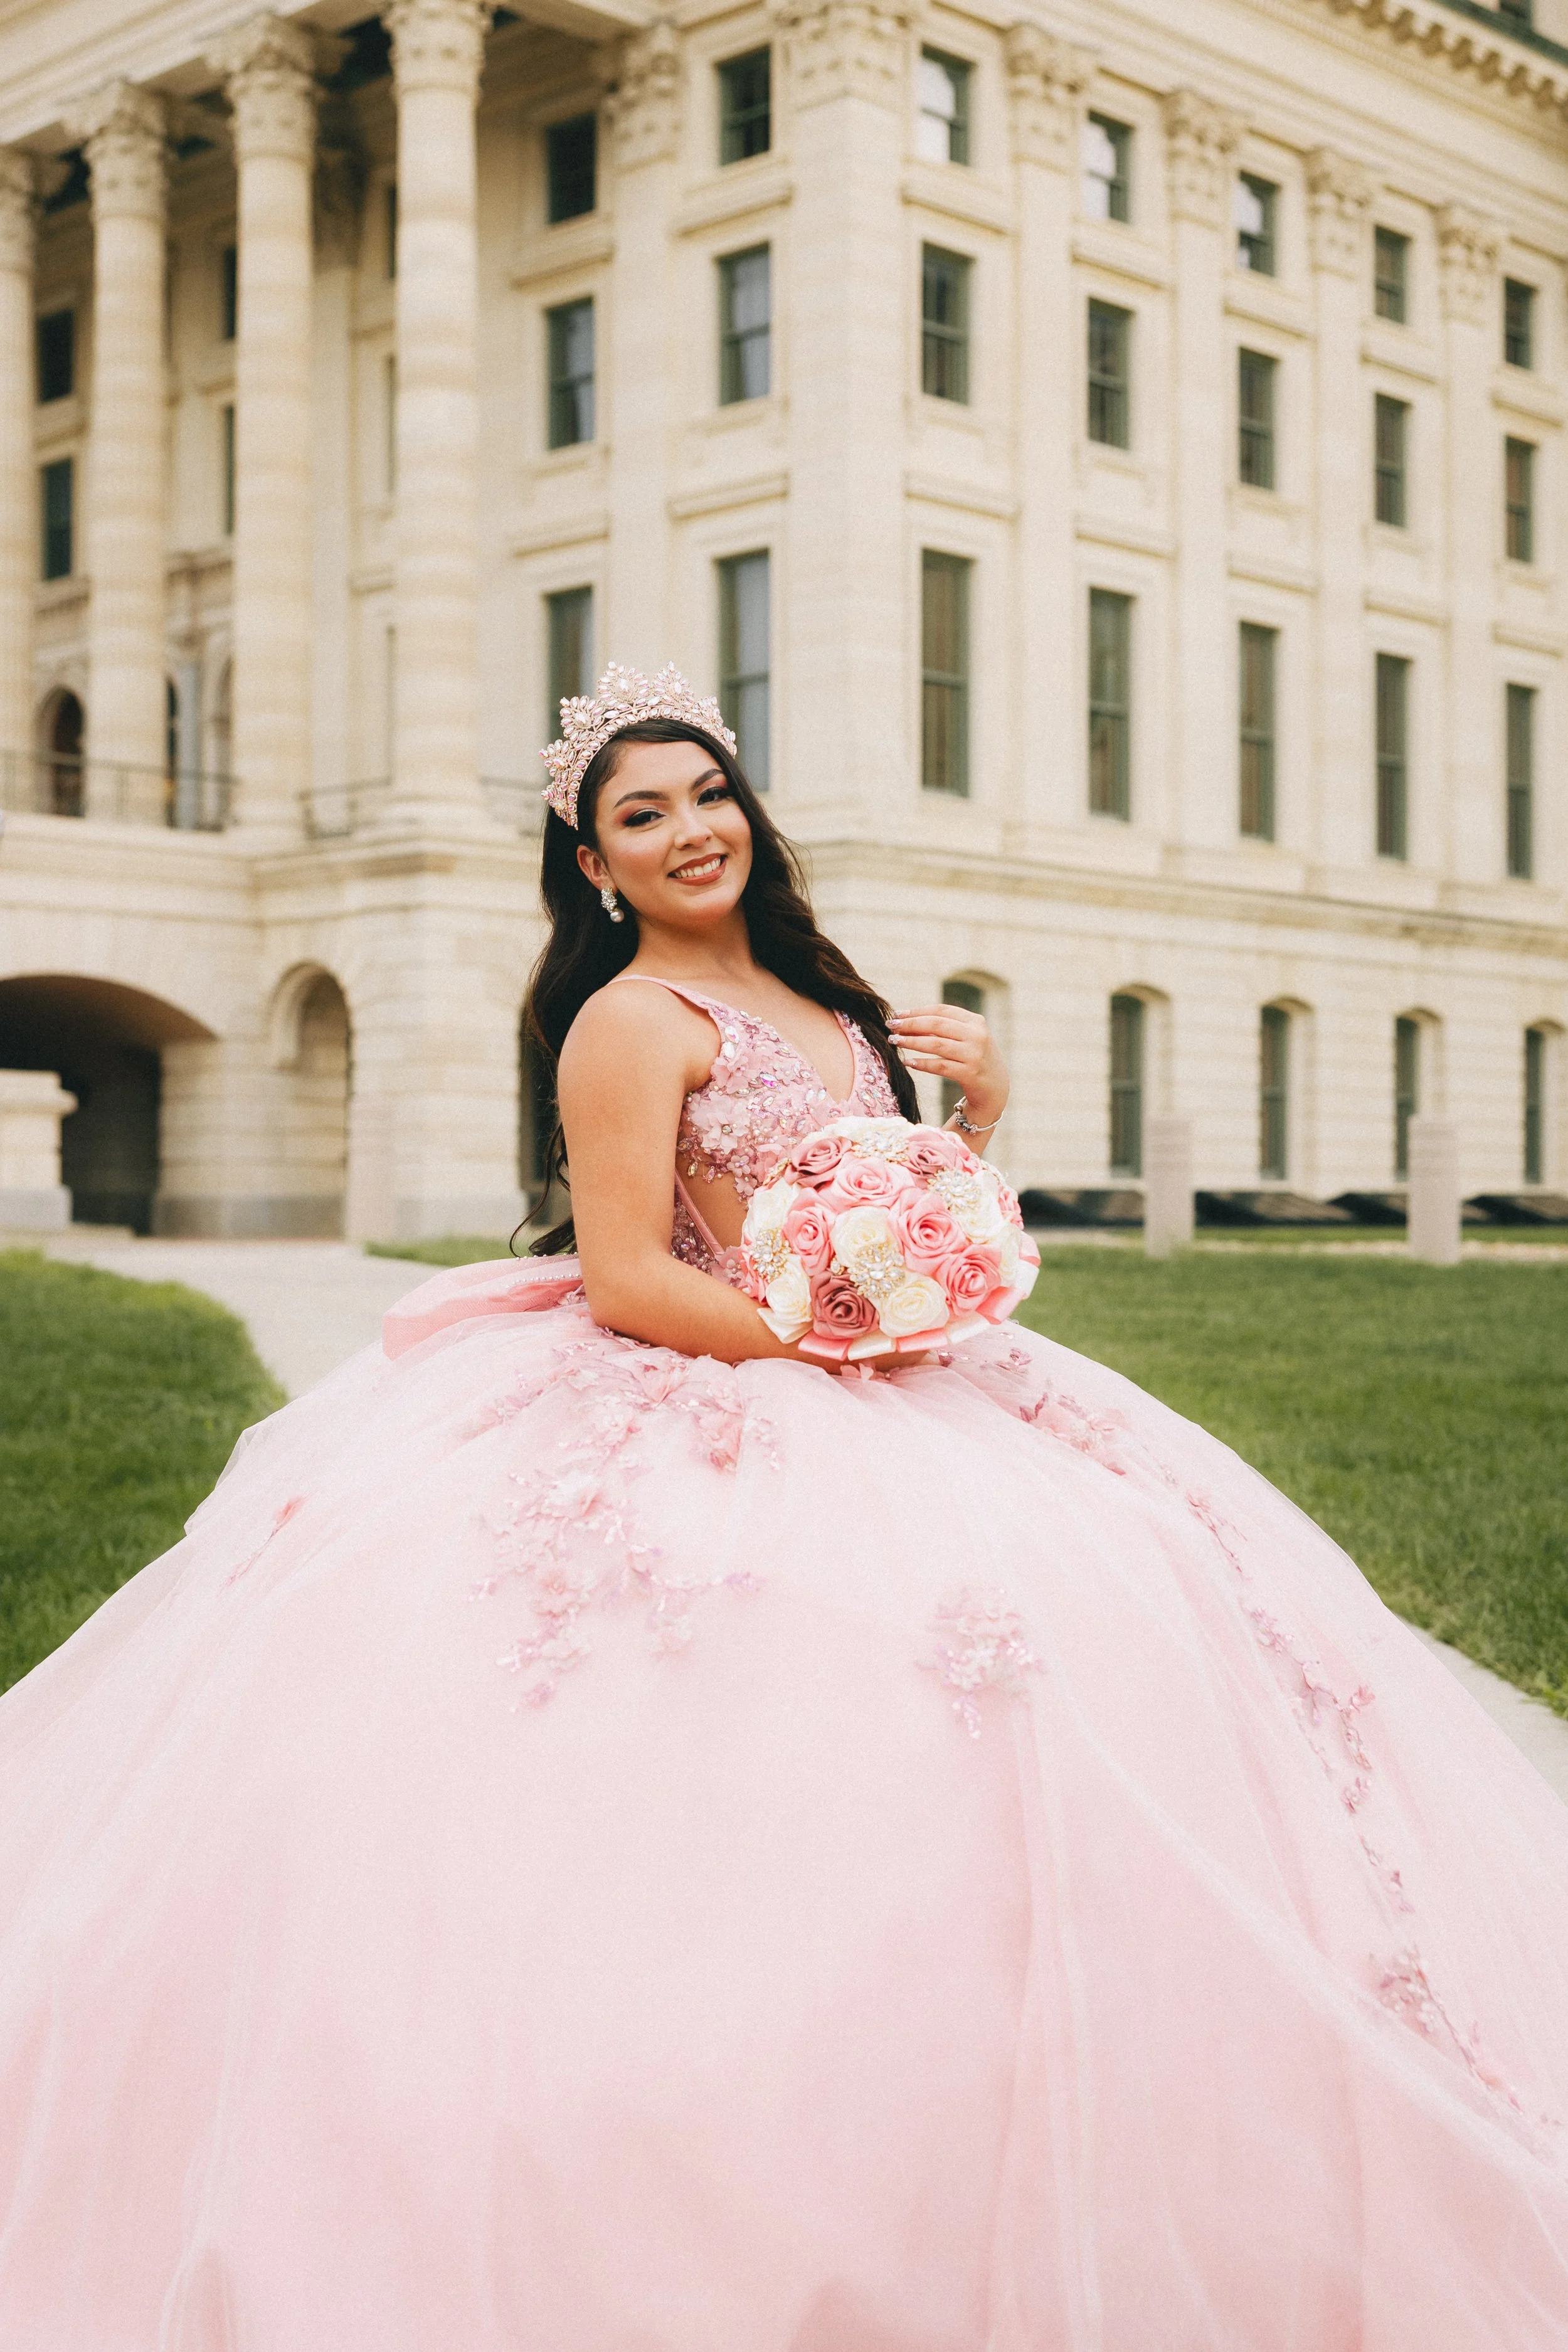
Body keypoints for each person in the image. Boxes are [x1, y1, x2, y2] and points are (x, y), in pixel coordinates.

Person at [1, 663, 1565, 2351]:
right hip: (731, 1364)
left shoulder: (831, 1005)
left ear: (750, 809)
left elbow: (900, 1213)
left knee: (1136, 1605)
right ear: (594, 866)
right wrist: (818, 1341)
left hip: (894, 1364)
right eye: (640, 816)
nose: (687, 832)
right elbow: (618, 1270)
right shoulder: (628, 1019)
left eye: (704, 795)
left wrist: (974, 1119)